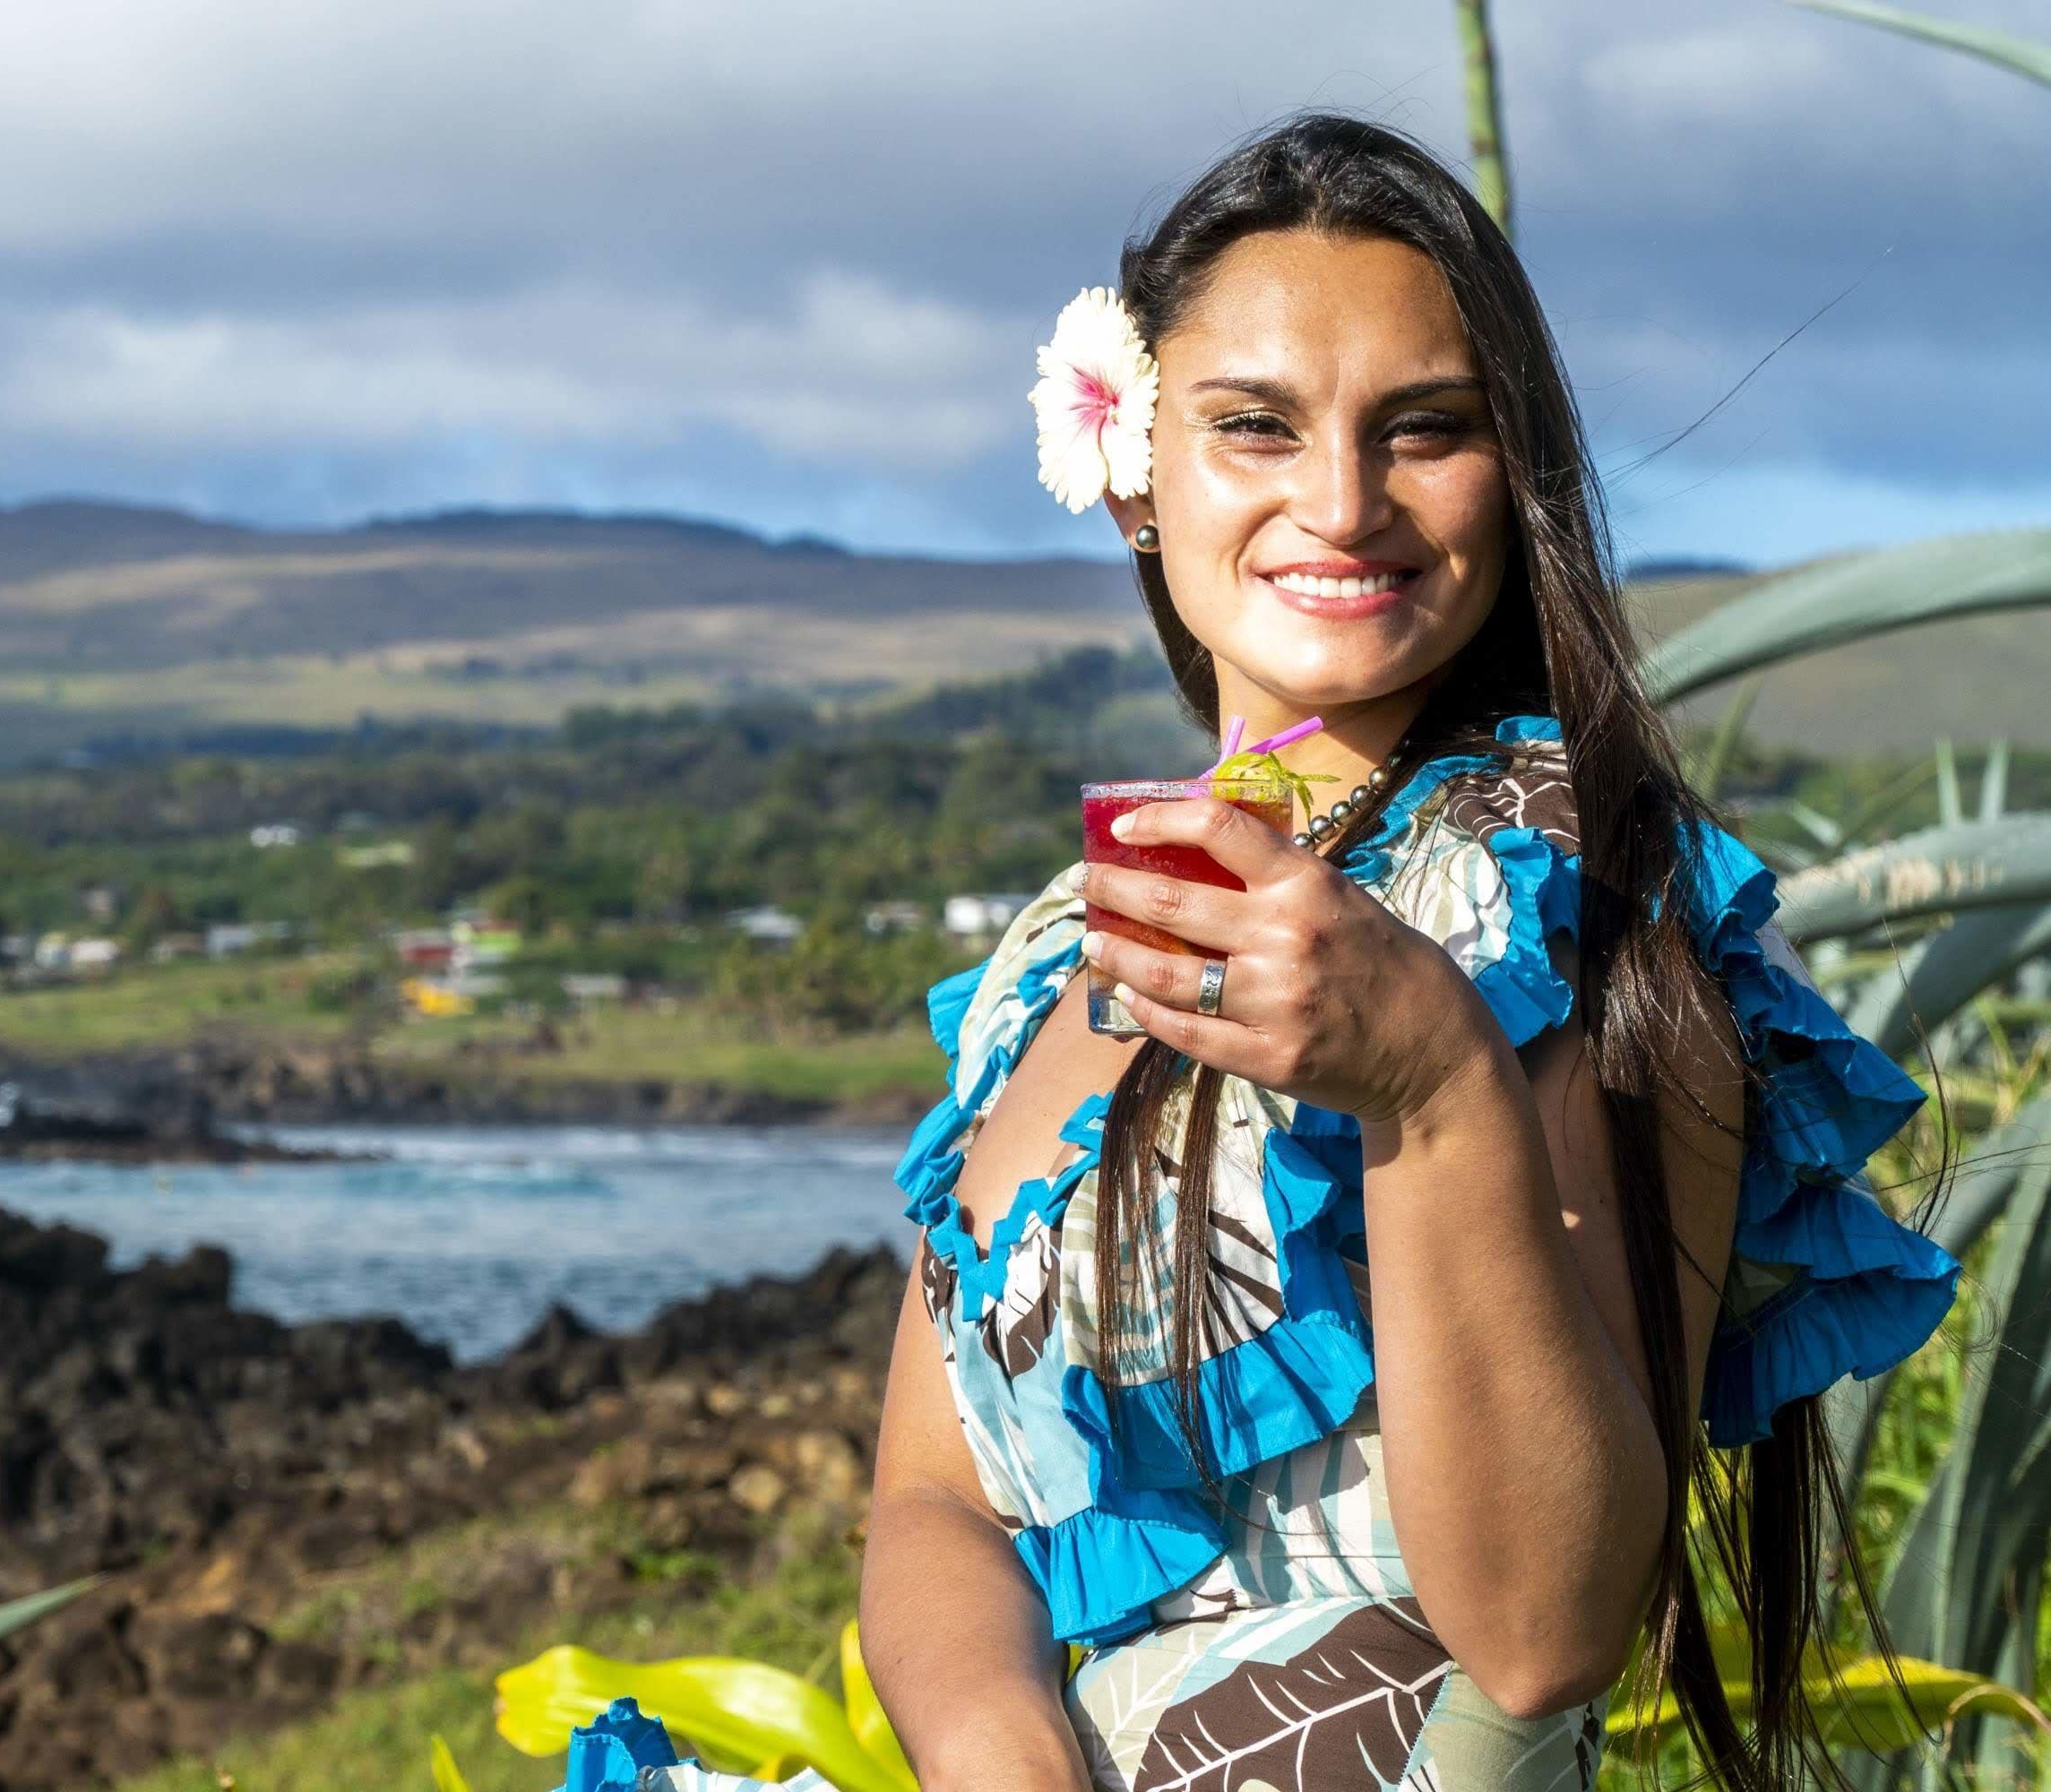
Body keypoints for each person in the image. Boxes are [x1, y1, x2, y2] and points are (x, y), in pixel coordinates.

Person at [547, 111, 1959, 1792]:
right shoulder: (1058, 950)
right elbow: (930, 1498)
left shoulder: (1584, 906)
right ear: (1139, 469)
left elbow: (1546, 1633)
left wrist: (1434, 1085)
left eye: (1425, 429)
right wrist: (1011, 1767)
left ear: (1515, 482)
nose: (1344, 503)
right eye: (1256, 426)